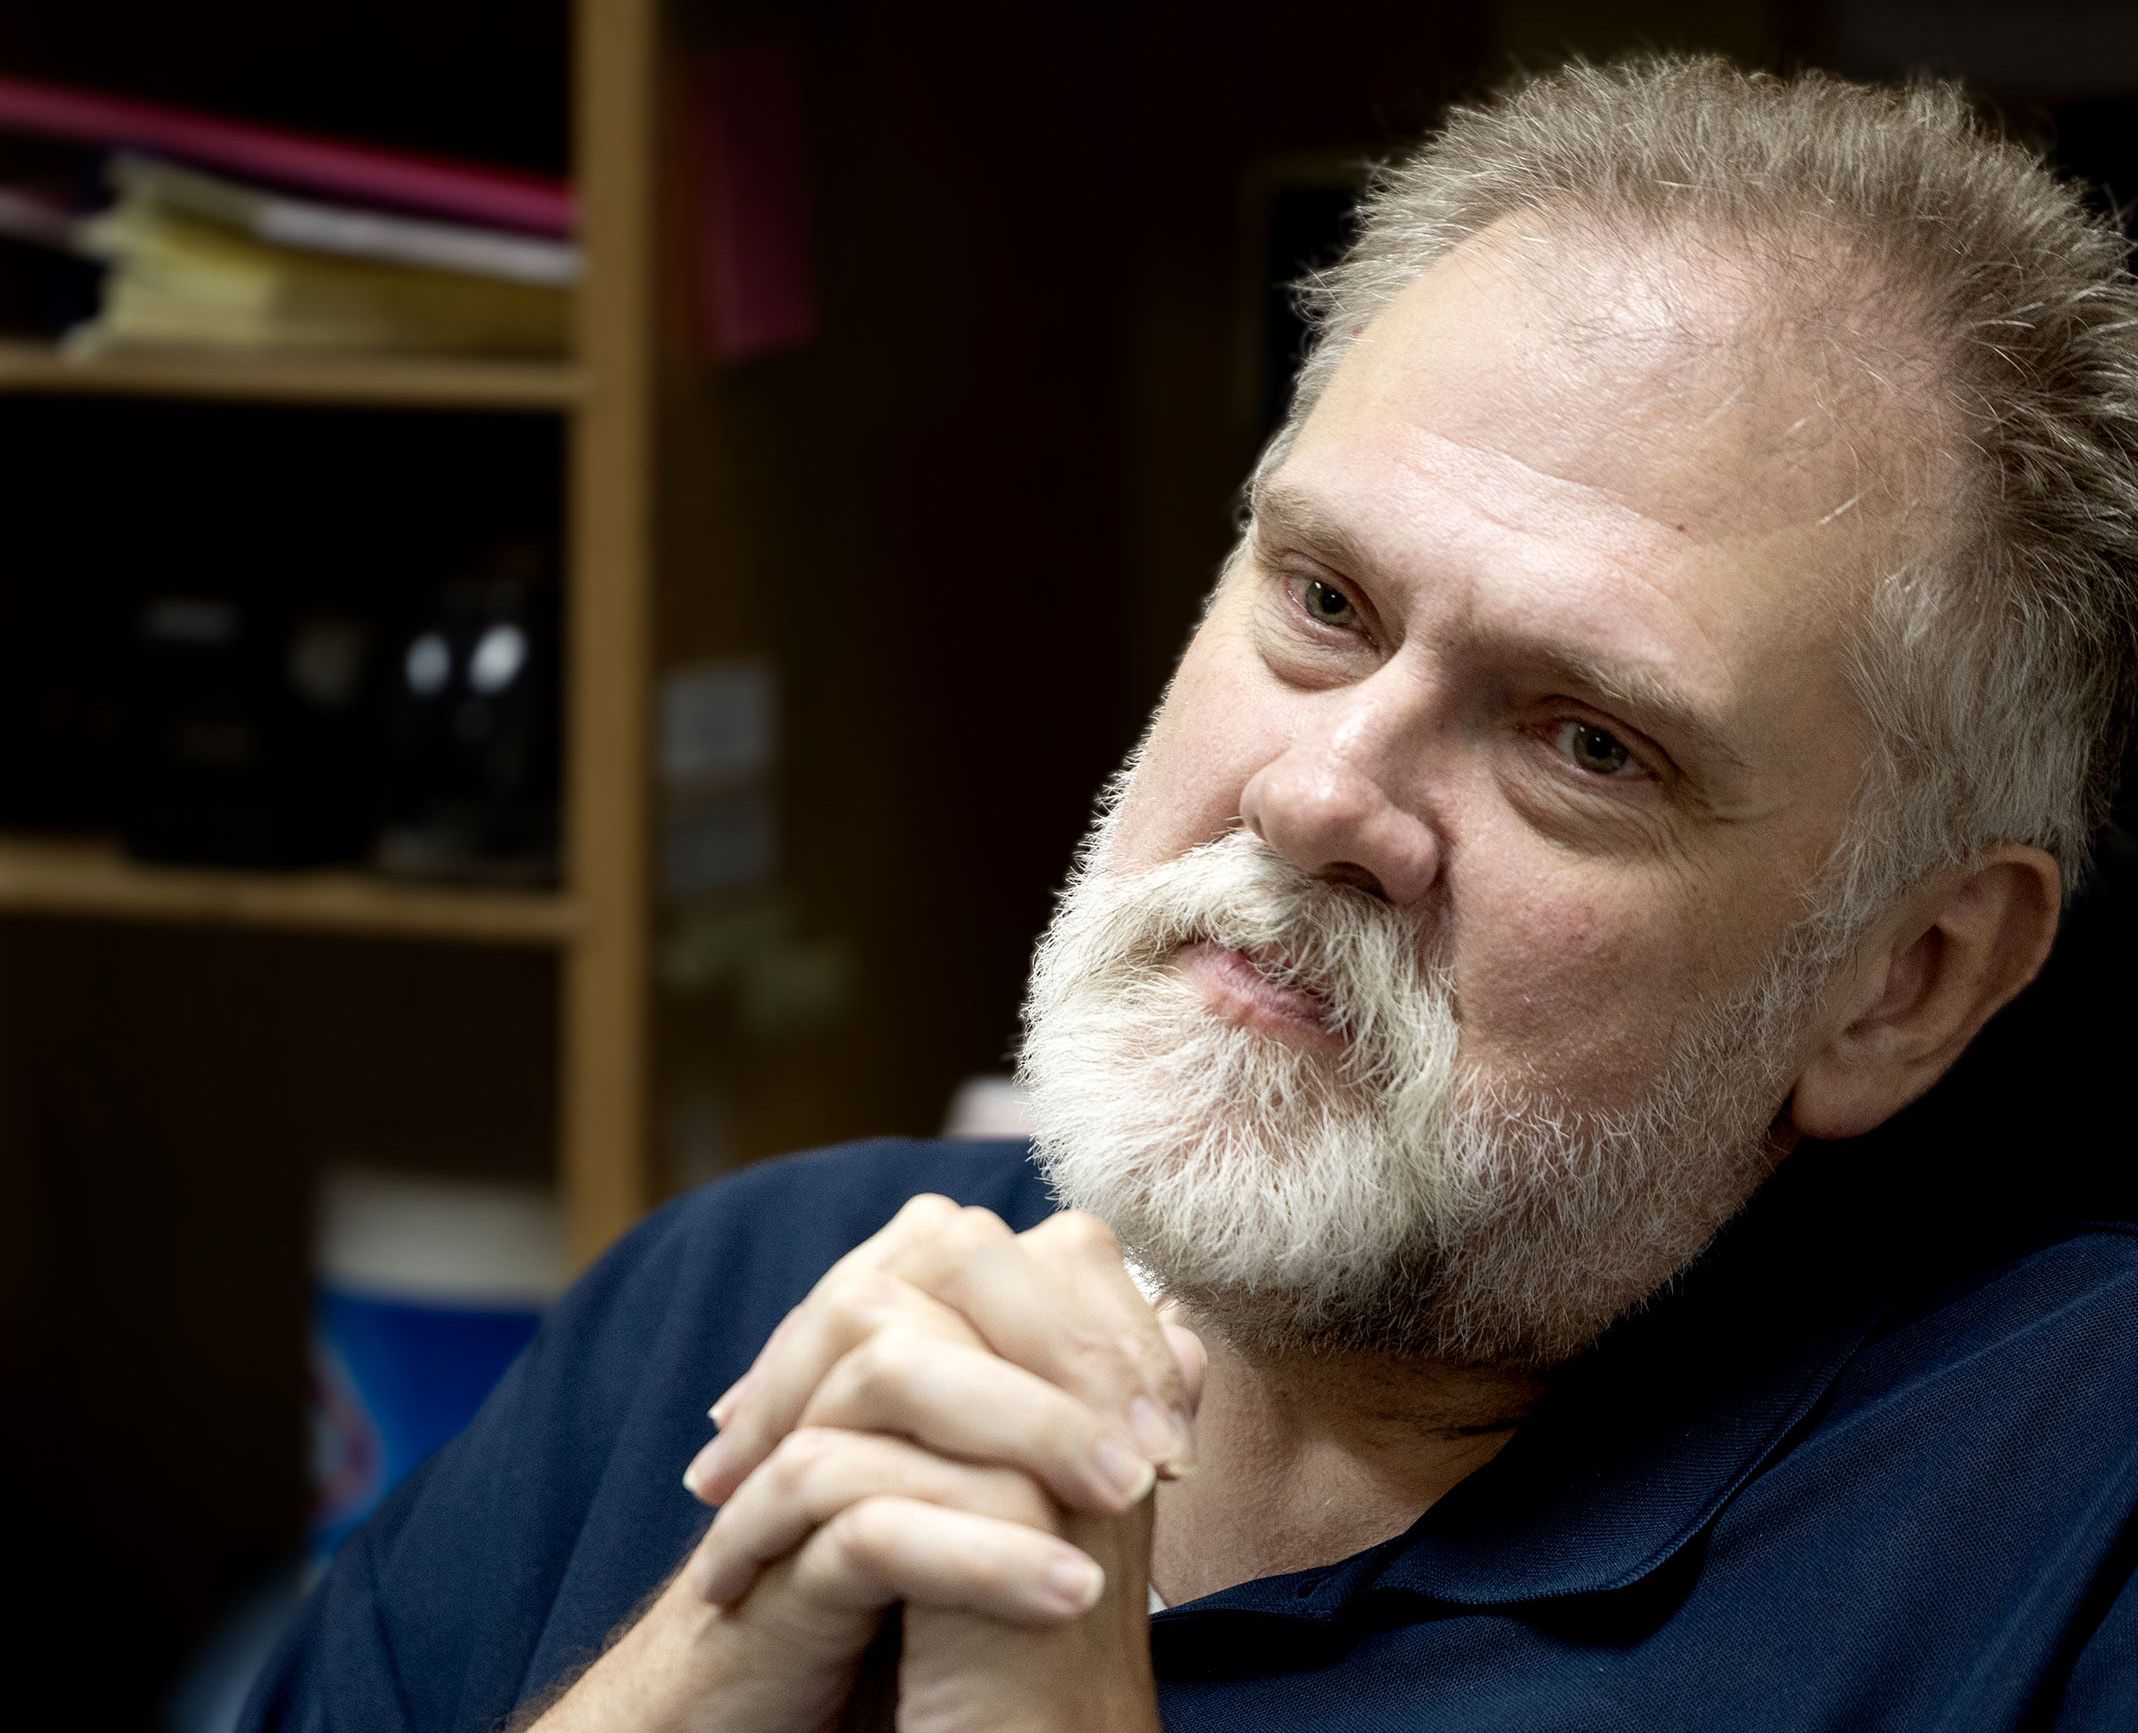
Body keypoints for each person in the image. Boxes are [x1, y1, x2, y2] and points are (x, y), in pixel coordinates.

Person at [242, 55, 2138, 1732]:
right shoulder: (732, 1302)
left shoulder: (2067, 1521)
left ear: (1906, 976)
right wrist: (693, 1675)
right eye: (1322, 602)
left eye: (1585, 742)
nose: (1317, 794)